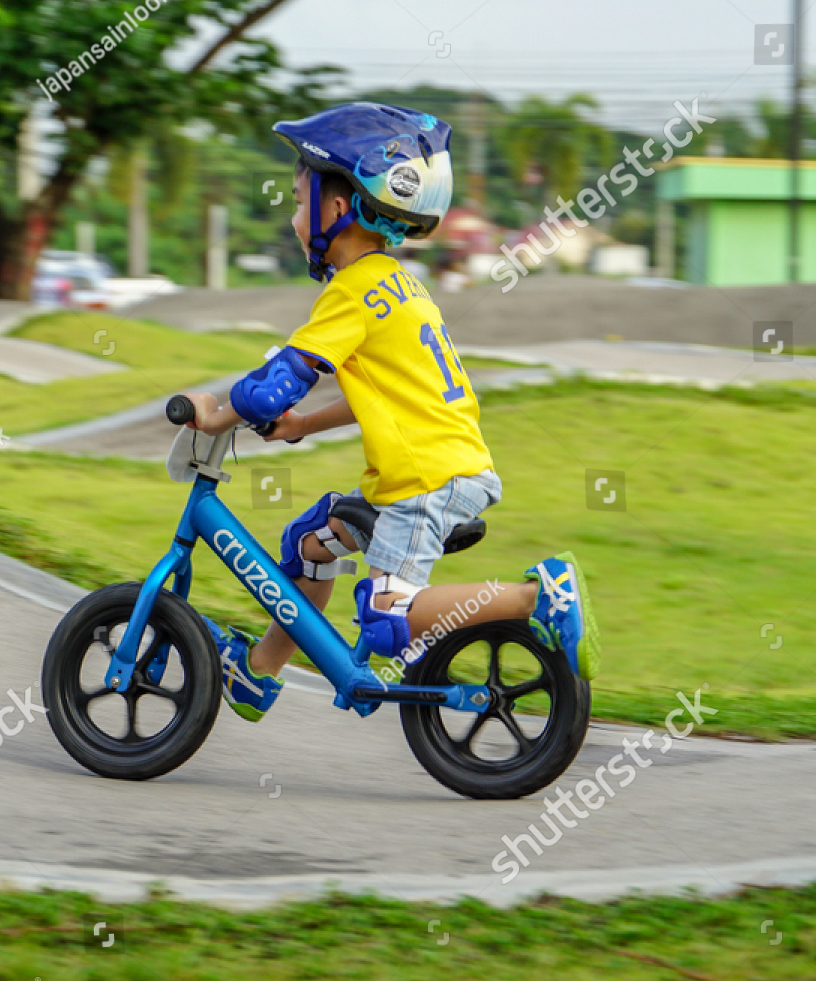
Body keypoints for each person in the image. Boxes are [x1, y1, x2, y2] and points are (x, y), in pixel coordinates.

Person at [182, 102, 600, 722]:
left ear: (337, 207)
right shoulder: (398, 284)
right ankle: (256, 673)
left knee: (385, 623)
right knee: (310, 545)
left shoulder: (351, 291)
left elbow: (276, 385)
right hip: (423, 474)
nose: (295, 220)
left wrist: (216, 415)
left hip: (427, 483)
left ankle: (539, 597)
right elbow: (377, 390)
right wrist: (300, 427)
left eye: (300, 203)